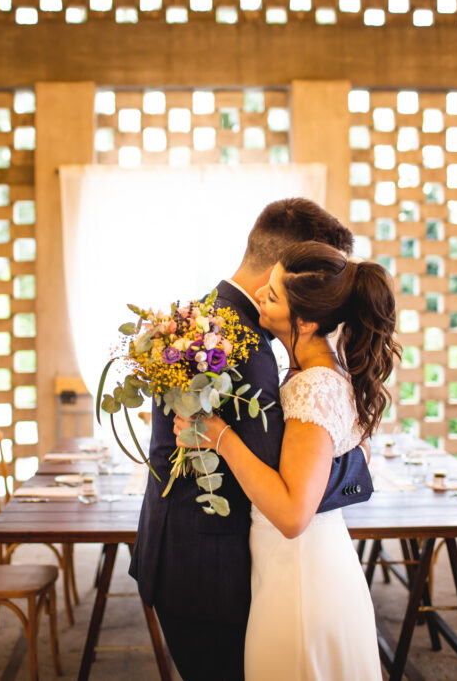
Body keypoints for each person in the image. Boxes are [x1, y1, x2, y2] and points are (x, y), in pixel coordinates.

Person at [129, 198, 374, 681]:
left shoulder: (203, 316)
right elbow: (285, 486)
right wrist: (356, 466)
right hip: (210, 572)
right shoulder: (243, 343)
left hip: (181, 554)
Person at [174, 241, 400, 680]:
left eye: (273, 295)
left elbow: (295, 513)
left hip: (301, 579)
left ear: (307, 320)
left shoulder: (312, 386)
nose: (260, 294)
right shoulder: (319, 370)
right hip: (307, 564)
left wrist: (221, 438)